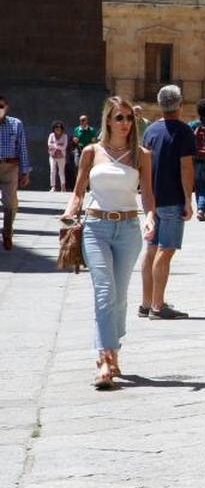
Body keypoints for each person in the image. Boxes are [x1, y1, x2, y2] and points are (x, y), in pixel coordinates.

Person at [61, 96, 155, 389]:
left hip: (128, 228)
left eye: (128, 118)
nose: (126, 123)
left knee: (120, 295)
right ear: (108, 120)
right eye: (119, 118)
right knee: (104, 291)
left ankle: (113, 345)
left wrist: (150, 216)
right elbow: (78, 190)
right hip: (96, 226)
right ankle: (105, 358)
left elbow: (148, 193)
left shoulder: (141, 154)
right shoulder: (91, 152)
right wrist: (70, 209)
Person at [138, 85, 194, 320]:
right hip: (172, 199)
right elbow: (186, 167)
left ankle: (146, 302)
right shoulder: (183, 131)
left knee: (151, 249)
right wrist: (188, 200)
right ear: (180, 104)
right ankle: (158, 307)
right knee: (166, 249)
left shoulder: (150, 131)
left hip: (152, 198)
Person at [0, 95, 32, 251]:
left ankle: (7, 233)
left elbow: (22, 148)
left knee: (10, 203)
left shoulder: (16, 124)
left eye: (1, 106)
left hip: (10, 167)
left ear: (6, 107)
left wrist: (25, 172)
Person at [189, 99, 205, 221]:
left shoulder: (192, 125)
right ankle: (201, 209)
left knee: (197, 184)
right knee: (204, 185)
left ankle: (196, 208)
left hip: (194, 159)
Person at [47, 121, 70, 192]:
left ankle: (63, 186)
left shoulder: (64, 136)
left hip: (61, 156)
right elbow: (49, 144)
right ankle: (53, 187)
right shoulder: (51, 135)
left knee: (61, 172)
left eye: (60, 127)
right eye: (56, 127)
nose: (58, 128)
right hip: (53, 156)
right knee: (52, 170)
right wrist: (58, 145)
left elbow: (64, 146)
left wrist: (55, 146)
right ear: (54, 128)